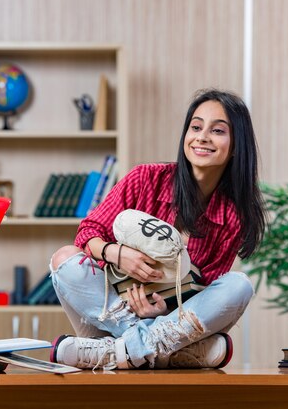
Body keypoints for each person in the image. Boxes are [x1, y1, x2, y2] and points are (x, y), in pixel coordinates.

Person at [48, 88, 266, 370]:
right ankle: (158, 351)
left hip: (169, 319)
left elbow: (204, 295)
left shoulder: (232, 216)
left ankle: (115, 352)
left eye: (218, 131)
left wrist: (162, 310)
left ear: (236, 145)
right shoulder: (145, 178)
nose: (202, 137)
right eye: (196, 127)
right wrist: (117, 253)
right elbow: (88, 233)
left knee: (239, 285)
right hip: (110, 311)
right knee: (64, 258)